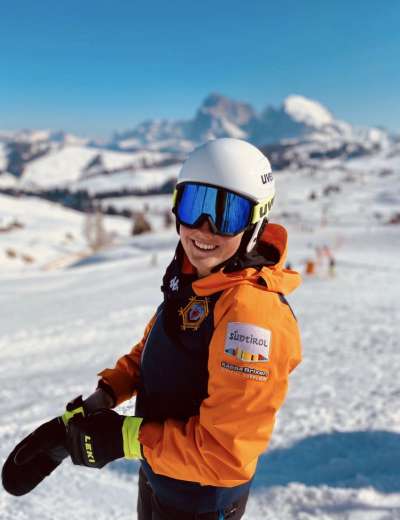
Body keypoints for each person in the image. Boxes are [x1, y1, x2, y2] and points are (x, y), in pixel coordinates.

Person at [2, 138, 302, 519]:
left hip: (199, 502)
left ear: (256, 223)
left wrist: (124, 438)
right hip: (162, 476)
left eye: (227, 215)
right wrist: (110, 391)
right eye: (195, 206)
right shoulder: (195, 277)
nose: (204, 229)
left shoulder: (251, 316)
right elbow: (161, 344)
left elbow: (227, 456)